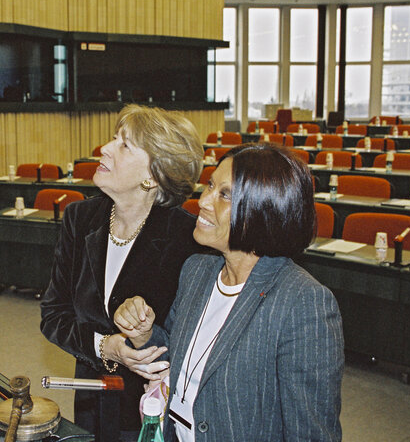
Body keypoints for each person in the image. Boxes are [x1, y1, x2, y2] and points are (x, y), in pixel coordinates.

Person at [114, 143, 344, 441]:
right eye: (209, 186)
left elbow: (311, 434)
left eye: (224, 195)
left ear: (263, 210)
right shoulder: (197, 270)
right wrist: (144, 333)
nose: (204, 201)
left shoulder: (303, 303)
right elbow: (177, 357)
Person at [40, 104, 205, 437]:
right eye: (114, 138)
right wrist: (104, 347)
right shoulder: (79, 218)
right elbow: (54, 314)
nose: (105, 148)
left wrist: (145, 339)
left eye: (124, 144)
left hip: (152, 411)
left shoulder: (190, 240)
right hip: (91, 401)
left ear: (153, 176)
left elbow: (195, 342)